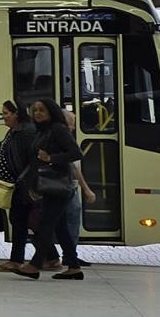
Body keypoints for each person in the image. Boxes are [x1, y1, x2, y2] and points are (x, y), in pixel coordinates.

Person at [14, 97, 84, 281]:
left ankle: (35, 265)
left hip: (58, 186)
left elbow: (76, 153)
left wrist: (51, 158)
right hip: (48, 186)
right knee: (60, 228)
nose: (37, 113)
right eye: (35, 110)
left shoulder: (58, 130)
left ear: (51, 112)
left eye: (42, 110)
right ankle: (74, 267)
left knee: (45, 224)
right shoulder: (42, 131)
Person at [0, 100, 38, 272]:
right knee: (30, 221)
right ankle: (51, 257)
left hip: (23, 184)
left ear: (16, 114)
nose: (3, 117)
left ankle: (16, 260)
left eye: (6, 113)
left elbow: (31, 159)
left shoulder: (26, 133)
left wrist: (25, 182)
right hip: (18, 183)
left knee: (19, 221)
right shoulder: (15, 131)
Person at [63, 107, 96, 269]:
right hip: (67, 187)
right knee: (70, 221)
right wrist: (87, 189)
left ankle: (68, 255)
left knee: (62, 222)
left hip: (68, 187)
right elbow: (74, 168)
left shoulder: (64, 137)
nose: (74, 126)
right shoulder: (64, 139)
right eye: (72, 122)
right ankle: (68, 256)